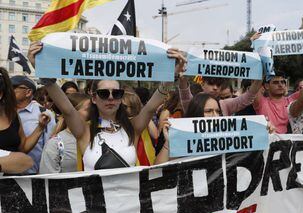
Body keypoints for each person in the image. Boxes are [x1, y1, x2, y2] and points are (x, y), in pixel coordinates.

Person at [28, 42, 186, 171]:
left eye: (116, 93)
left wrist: (172, 76)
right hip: (95, 208)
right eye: (104, 93)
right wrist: (43, 70)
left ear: (120, 98)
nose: (110, 98)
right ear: (94, 98)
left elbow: (151, 107)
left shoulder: (132, 127)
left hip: (129, 205)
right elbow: (67, 109)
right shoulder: (84, 131)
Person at [0, 67, 49, 174]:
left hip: (13, 184)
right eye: (10, 88)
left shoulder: (12, 114)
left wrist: (40, 127)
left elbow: (22, 148)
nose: (12, 92)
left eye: (14, 88)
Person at [155, 93, 222, 164]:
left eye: (218, 111)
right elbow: (157, 169)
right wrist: (169, 142)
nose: (215, 116)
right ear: (196, 112)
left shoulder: (225, 136)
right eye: (209, 111)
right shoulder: (183, 138)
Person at [11, 75, 56, 174]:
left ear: (28, 92)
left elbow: (49, 147)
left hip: (33, 176)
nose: (9, 90)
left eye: (14, 87)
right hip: (6, 176)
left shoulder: (44, 114)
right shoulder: (4, 113)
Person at [39, 93, 90, 173]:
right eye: (88, 110)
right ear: (71, 113)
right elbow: (48, 179)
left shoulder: (99, 137)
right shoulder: (55, 144)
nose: (93, 113)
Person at [178, 75, 262, 116]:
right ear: (202, 84)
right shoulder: (193, 103)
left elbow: (247, 98)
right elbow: (184, 94)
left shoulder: (225, 104)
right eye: (208, 111)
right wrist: (182, 78)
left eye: (218, 111)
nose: (215, 88)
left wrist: (259, 77)